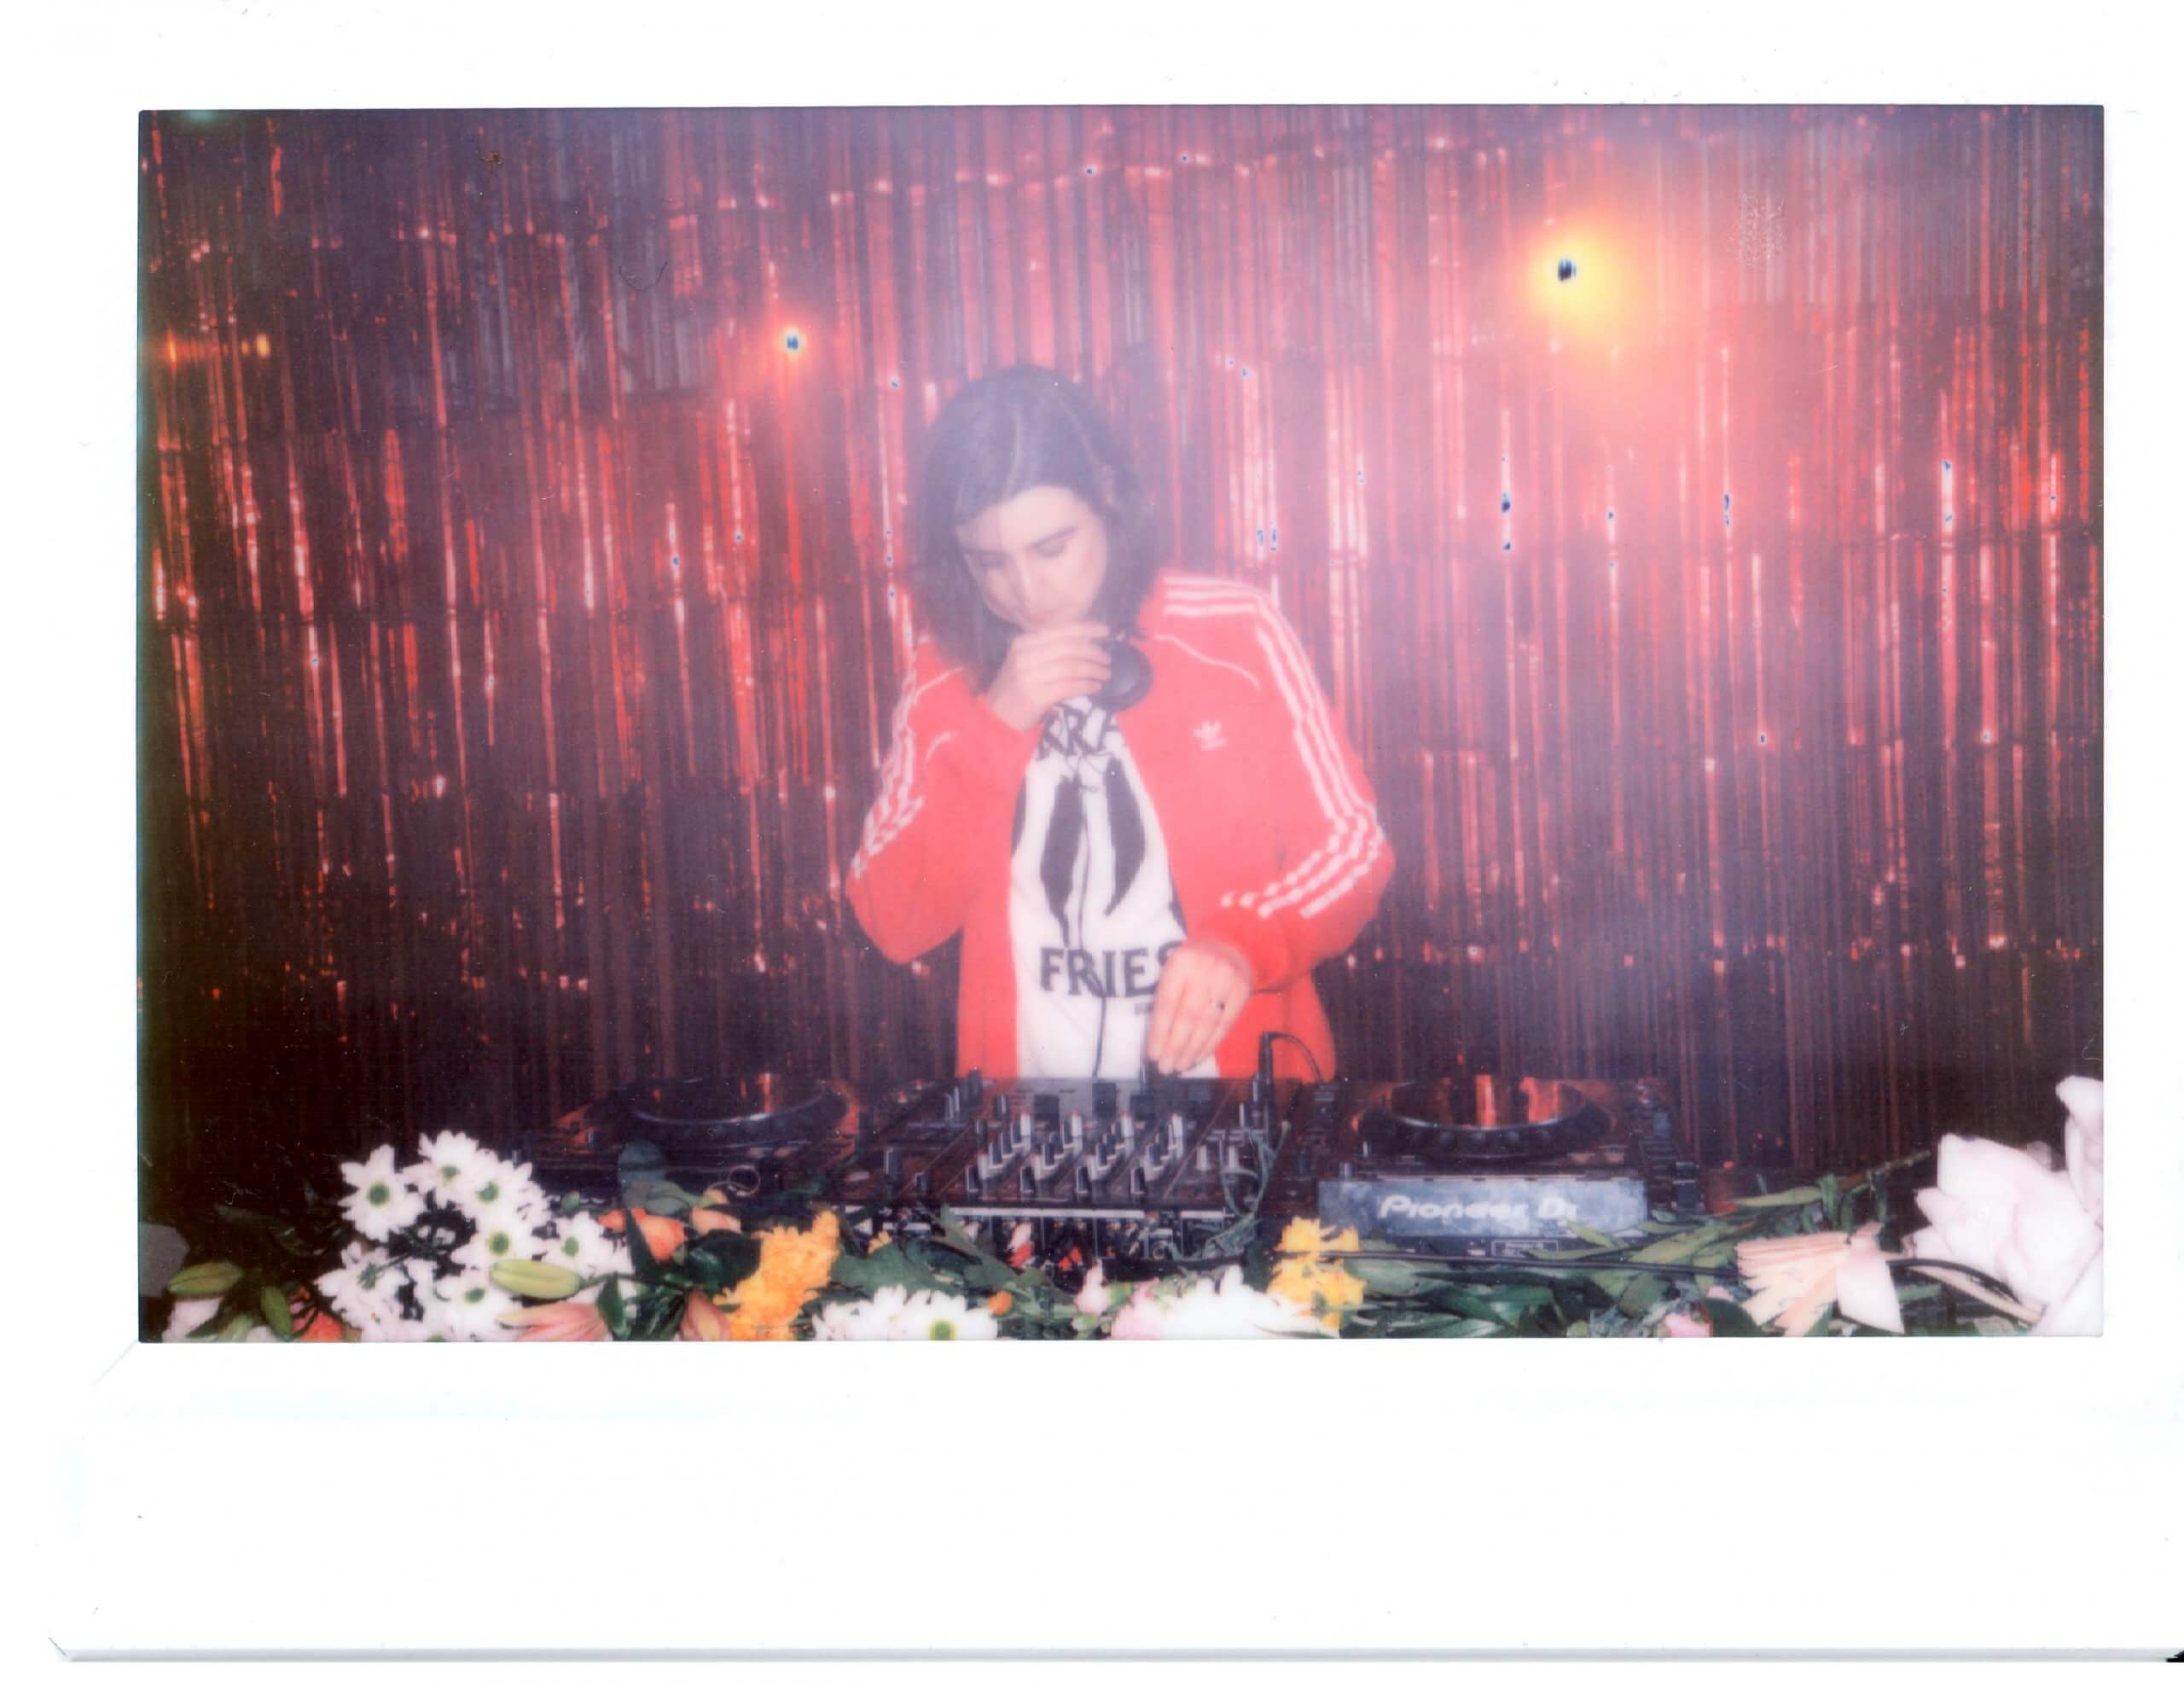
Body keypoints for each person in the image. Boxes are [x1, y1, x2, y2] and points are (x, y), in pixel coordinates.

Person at [847, 365, 1392, 1080]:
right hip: (1034, 1128)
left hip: (1243, 1107)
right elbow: (893, 920)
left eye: (1052, 548)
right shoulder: (943, 675)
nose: (1029, 592)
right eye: (990, 563)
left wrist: (1241, 945)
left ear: (1106, 499)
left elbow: (1352, 846)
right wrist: (997, 724)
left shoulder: (1234, 632)